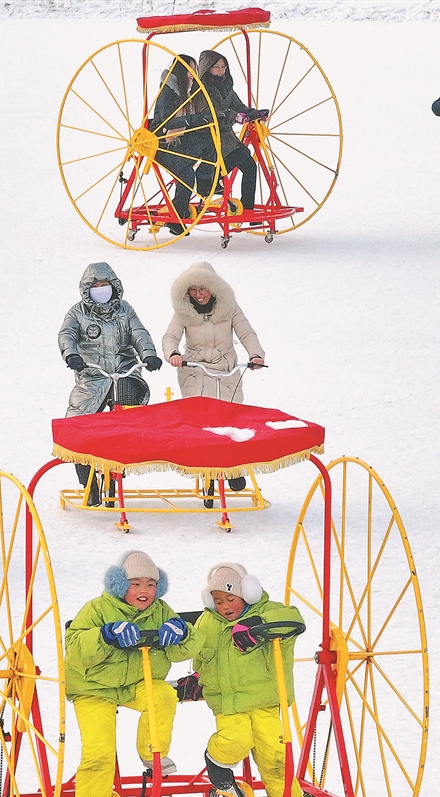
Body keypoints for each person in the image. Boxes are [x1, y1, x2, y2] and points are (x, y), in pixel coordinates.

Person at [65, 550, 201, 797]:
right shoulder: (97, 609)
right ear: (119, 584)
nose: (144, 591)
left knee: (164, 694)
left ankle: (153, 753)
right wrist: (105, 635)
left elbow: (187, 648)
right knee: (99, 752)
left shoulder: (161, 611)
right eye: (135, 583)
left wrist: (182, 631)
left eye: (151, 584)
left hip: (137, 683)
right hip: (94, 686)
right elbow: (75, 649)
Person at [193, 562, 305, 797]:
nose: (225, 607)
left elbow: (293, 618)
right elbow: (200, 656)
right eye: (218, 601)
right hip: (229, 703)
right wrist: (198, 676)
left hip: (265, 701)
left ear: (247, 593)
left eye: (231, 599)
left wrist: (258, 624)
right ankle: (216, 760)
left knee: (275, 755)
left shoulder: (268, 611)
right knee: (236, 739)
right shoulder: (208, 622)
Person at [58, 262, 161, 506]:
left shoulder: (125, 310)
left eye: (105, 285)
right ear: (87, 289)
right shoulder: (77, 313)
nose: (101, 289)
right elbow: (66, 335)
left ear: (114, 286)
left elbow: (139, 332)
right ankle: (88, 482)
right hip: (92, 375)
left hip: (124, 371)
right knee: (77, 424)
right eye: (95, 286)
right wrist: (72, 355)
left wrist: (148, 354)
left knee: (126, 415)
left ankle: (118, 466)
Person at [162, 260, 265, 492]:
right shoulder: (183, 311)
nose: (199, 295)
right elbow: (170, 336)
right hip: (196, 369)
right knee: (203, 418)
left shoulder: (230, 307)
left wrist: (256, 355)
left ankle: (234, 469)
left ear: (213, 288)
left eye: (203, 289)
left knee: (231, 418)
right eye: (194, 290)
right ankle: (204, 463)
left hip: (226, 369)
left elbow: (246, 332)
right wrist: (173, 353)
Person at [194, 50, 269, 220]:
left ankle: (247, 209)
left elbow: (238, 105)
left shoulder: (227, 86)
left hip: (226, 135)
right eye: (216, 67)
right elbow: (212, 114)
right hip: (209, 134)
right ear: (207, 68)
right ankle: (209, 179)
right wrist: (234, 116)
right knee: (242, 154)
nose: (220, 71)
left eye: (223, 67)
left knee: (250, 166)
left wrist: (252, 113)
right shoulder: (201, 90)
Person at [150, 54, 214, 236]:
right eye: (190, 70)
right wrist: (195, 119)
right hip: (162, 143)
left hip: (180, 138)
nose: (193, 74)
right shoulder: (169, 91)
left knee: (209, 143)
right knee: (186, 175)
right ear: (180, 70)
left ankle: (206, 182)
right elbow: (167, 122)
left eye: (195, 70)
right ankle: (176, 218)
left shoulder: (188, 90)